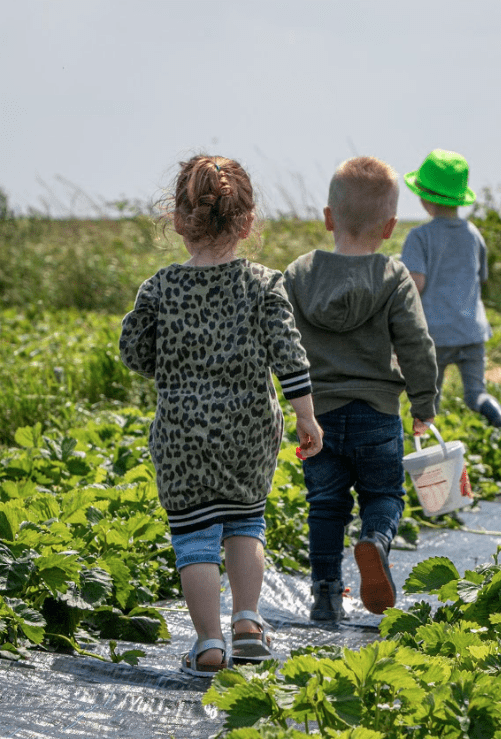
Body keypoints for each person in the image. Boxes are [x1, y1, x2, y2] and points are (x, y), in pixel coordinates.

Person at [120, 154, 323, 677]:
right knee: (246, 522)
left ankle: (209, 643)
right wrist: (306, 416)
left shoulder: (160, 287)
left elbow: (136, 355)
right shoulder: (265, 284)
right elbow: (288, 353)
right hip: (250, 429)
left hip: (182, 433)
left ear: (179, 221)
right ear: (248, 222)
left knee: (193, 535)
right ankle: (250, 623)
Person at [284, 156, 438, 620]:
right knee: (385, 495)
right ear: (390, 226)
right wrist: (424, 401)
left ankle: (327, 594)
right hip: (377, 411)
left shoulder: (298, 274)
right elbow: (416, 344)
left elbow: (279, 340)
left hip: (319, 415)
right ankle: (374, 540)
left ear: (328, 217)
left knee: (325, 506)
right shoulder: (393, 278)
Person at [400, 149, 501, 450]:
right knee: (476, 394)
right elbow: (479, 278)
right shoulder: (474, 234)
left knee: (430, 398)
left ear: (425, 198)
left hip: (435, 335)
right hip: (472, 331)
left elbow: (415, 284)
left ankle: (428, 457)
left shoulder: (419, 237)